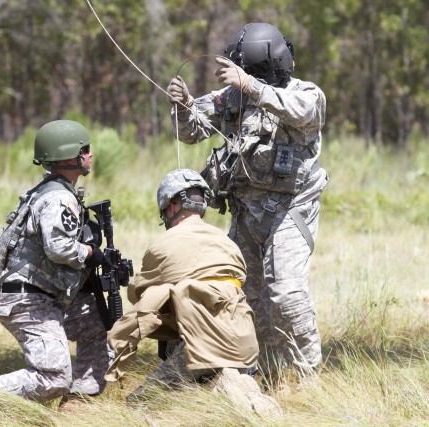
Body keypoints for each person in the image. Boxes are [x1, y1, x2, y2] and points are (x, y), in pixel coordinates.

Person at [166, 23, 328, 375]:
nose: (246, 76)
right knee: (246, 296)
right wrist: (183, 106)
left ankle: (306, 375)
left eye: (253, 71)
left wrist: (249, 85)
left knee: (285, 292)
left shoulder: (306, 94)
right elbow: (191, 131)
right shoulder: (231, 99)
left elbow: (301, 113)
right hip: (245, 213)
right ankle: (262, 369)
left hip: (290, 210)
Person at [0, 119, 113, 420]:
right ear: (70, 156)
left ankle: (79, 404)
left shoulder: (49, 191)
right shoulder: (58, 197)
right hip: (29, 301)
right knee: (54, 377)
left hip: (38, 296)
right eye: (85, 150)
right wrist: (89, 253)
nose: (90, 156)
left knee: (95, 325)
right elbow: (58, 247)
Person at [105, 169, 280, 416]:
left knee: (140, 403)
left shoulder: (162, 246)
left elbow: (140, 295)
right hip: (245, 347)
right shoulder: (229, 244)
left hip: (200, 346)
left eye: (165, 208)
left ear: (173, 205)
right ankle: (239, 385)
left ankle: (229, 389)